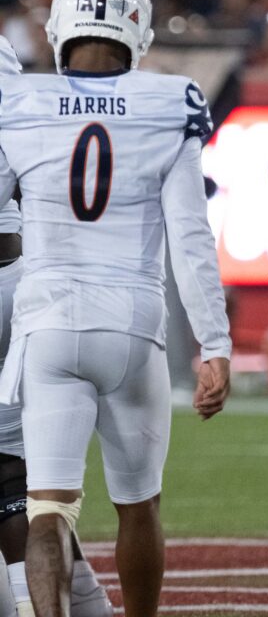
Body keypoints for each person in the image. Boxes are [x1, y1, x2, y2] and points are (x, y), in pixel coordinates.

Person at [0, 0, 232, 617]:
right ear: (139, 27)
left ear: (60, 23)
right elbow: (190, 234)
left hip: (47, 325)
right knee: (140, 506)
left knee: (48, 510)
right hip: (133, 323)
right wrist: (213, 342)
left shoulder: (22, 100)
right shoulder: (171, 99)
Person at [0, 40, 113, 617]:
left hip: (12, 279)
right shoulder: (8, 64)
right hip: (20, 274)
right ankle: (83, 605)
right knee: (18, 474)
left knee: (13, 477)